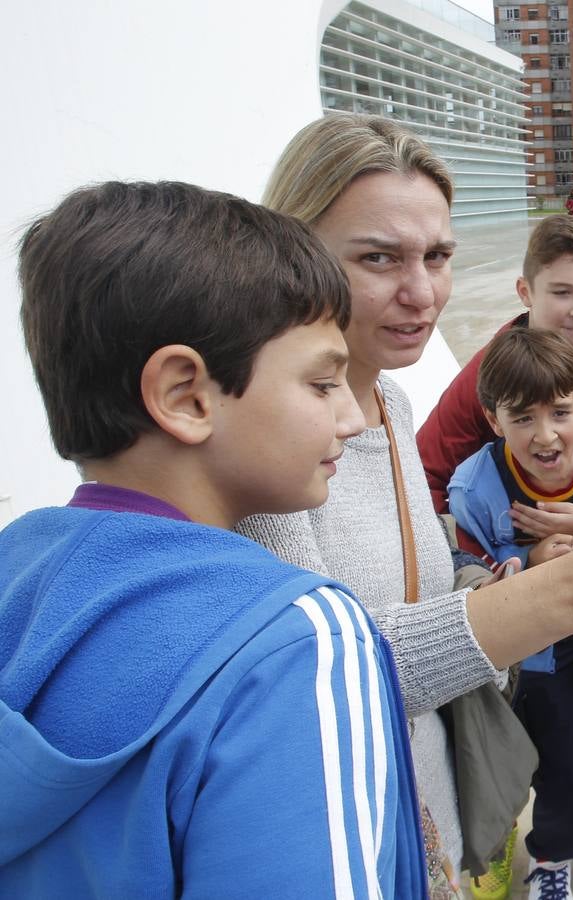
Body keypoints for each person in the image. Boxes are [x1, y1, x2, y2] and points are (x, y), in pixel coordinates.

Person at [236, 114, 573, 894]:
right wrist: (563, 589)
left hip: (435, 818)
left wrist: (490, 579)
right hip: (360, 838)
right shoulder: (262, 451)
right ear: (291, 253)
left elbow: (422, 585)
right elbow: (320, 678)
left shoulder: (395, 406)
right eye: (378, 258)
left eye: (437, 256)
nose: (421, 291)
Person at [0, 181, 426, 897]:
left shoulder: (19, 567)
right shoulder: (301, 639)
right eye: (323, 383)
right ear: (185, 396)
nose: (352, 418)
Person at [417, 213, 573, 883]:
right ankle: (525, 839)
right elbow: (433, 475)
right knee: (550, 746)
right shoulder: (487, 393)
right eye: (562, 292)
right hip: (534, 625)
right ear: (526, 292)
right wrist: (498, 566)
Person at [448, 328, 573, 900]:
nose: (545, 435)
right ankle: (552, 853)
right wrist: (525, 561)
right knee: (558, 764)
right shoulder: (475, 488)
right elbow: (468, 569)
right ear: (492, 419)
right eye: (521, 418)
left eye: (560, 411)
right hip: (542, 658)